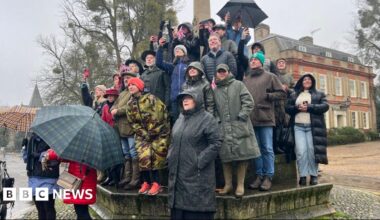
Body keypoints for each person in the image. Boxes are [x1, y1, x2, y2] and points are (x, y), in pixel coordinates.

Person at [168, 90, 222, 220]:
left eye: (189, 98)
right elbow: (173, 141)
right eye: (183, 98)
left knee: (195, 211)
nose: (185, 100)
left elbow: (217, 142)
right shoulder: (180, 119)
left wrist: (199, 161)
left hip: (197, 176)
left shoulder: (207, 118)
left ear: (197, 100)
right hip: (177, 175)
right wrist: (170, 156)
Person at [213, 64, 261, 197]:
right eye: (219, 72)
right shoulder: (215, 90)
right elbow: (212, 109)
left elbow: (248, 101)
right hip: (223, 127)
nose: (221, 74)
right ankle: (228, 185)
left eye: (224, 71)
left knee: (243, 156)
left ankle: (240, 185)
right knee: (225, 157)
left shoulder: (238, 85)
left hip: (240, 125)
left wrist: (242, 116)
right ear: (216, 74)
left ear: (228, 72)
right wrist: (217, 121)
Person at [244, 52, 286, 191]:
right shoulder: (247, 79)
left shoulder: (270, 76)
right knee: (256, 150)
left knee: (267, 148)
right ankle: (259, 175)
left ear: (262, 62)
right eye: (252, 60)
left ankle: (269, 176)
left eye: (256, 59)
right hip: (252, 119)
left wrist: (268, 96)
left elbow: (282, 93)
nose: (253, 61)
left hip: (266, 117)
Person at [126, 78, 170, 196]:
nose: (130, 87)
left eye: (133, 85)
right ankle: (146, 182)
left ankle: (157, 183)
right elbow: (132, 122)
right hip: (143, 135)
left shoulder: (151, 99)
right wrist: (143, 133)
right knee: (143, 158)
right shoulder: (130, 104)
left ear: (139, 87)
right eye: (129, 85)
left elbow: (160, 117)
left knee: (156, 158)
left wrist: (152, 132)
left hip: (159, 134)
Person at [285, 74, 329, 186]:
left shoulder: (319, 94)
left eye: (309, 79)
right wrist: (297, 108)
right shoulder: (295, 94)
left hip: (312, 127)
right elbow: (287, 108)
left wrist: (309, 107)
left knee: (312, 151)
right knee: (300, 151)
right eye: (305, 79)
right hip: (298, 127)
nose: (307, 80)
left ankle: (314, 176)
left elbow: (325, 106)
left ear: (312, 82)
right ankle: (303, 176)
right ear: (301, 81)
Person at [44, 149, 97, 220]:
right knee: (81, 210)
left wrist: (49, 153)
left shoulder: (78, 146)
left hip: (80, 182)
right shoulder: (92, 148)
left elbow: (61, 153)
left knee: (82, 212)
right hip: (86, 180)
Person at [110, 70, 140, 190]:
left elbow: (130, 106)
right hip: (120, 127)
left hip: (130, 127)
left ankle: (135, 179)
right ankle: (127, 176)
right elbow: (114, 105)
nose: (126, 80)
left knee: (133, 153)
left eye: (128, 77)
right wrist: (114, 109)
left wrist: (118, 111)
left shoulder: (134, 92)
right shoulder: (122, 93)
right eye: (125, 78)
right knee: (126, 153)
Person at [22, 133, 59, 220]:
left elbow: (57, 155)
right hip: (34, 179)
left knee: (48, 208)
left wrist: (40, 155)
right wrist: (24, 147)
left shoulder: (54, 139)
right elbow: (26, 159)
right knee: (40, 209)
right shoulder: (32, 139)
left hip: (48, 179)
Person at [157, 40, 190, 124]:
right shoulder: (172, 66)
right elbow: (159, 63)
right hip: (175, 100)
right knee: (177, 123)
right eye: (176, 50)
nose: (177, 50)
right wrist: (160, 47)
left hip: (186, 98)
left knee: (188, 122)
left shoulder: (189, 65)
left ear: (184, 52)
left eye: (179, 49)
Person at [99, 88, 121, 187]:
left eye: (112, 96)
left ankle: (117, 178)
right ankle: (110, 177)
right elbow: (103, 120)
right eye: (108, 96)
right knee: (109, 156)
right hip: (108, 133)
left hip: (118, 132)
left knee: (118, 157)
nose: (110, 97)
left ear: (116, 97)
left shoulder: (118, 105)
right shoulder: (105, 107)